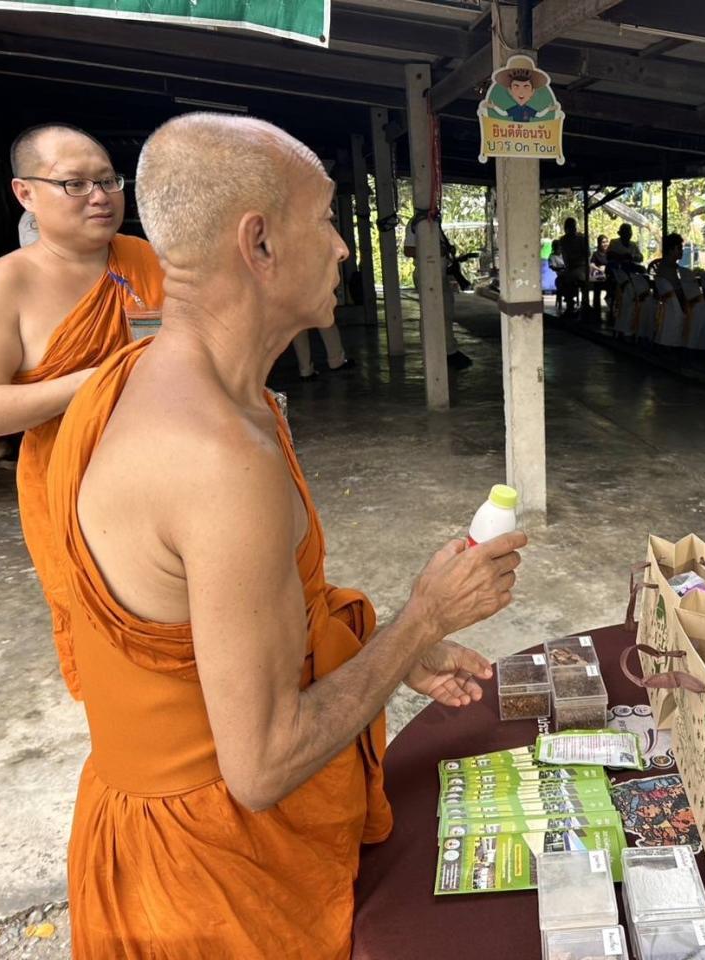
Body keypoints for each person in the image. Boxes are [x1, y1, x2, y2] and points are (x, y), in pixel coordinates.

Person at [45, 112, 526, 957]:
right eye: (327, 219)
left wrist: (385, 654)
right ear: (259, 243)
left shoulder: (146, 381)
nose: (342, 248)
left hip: (156, 834)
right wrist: (424, 616)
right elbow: (263, 765)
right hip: (206, 878)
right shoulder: (216, 457)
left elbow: (233, 624)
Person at [0, 122, 165, 698]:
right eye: (75, 184)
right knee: (110, 650)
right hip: (70, 490)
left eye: (108, 180)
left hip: (164, 480)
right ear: (25, 193)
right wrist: (103, 378)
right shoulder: (2, 287)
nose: (100, 197)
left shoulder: (145, 259)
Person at [404, 224, 471, 369]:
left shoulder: (434, 223)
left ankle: (447, 350)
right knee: (434, 315)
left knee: (446, 312)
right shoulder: (417, 223)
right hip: (428, 274)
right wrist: (435, 251)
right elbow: (408, 250)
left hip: (439, 274)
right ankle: (444, 353)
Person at [557, 217, 589, 313]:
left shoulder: (581, 238)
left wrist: (575, 259)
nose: (573, 229)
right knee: (560, 280)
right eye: (570, 227)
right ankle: (569, 302)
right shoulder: (563, 240)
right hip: (570, 267)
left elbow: (587, 254)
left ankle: (579, 303)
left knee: (573, 278)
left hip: (581, 266)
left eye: (573, 226)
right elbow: (565, 256)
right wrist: (568, 267)